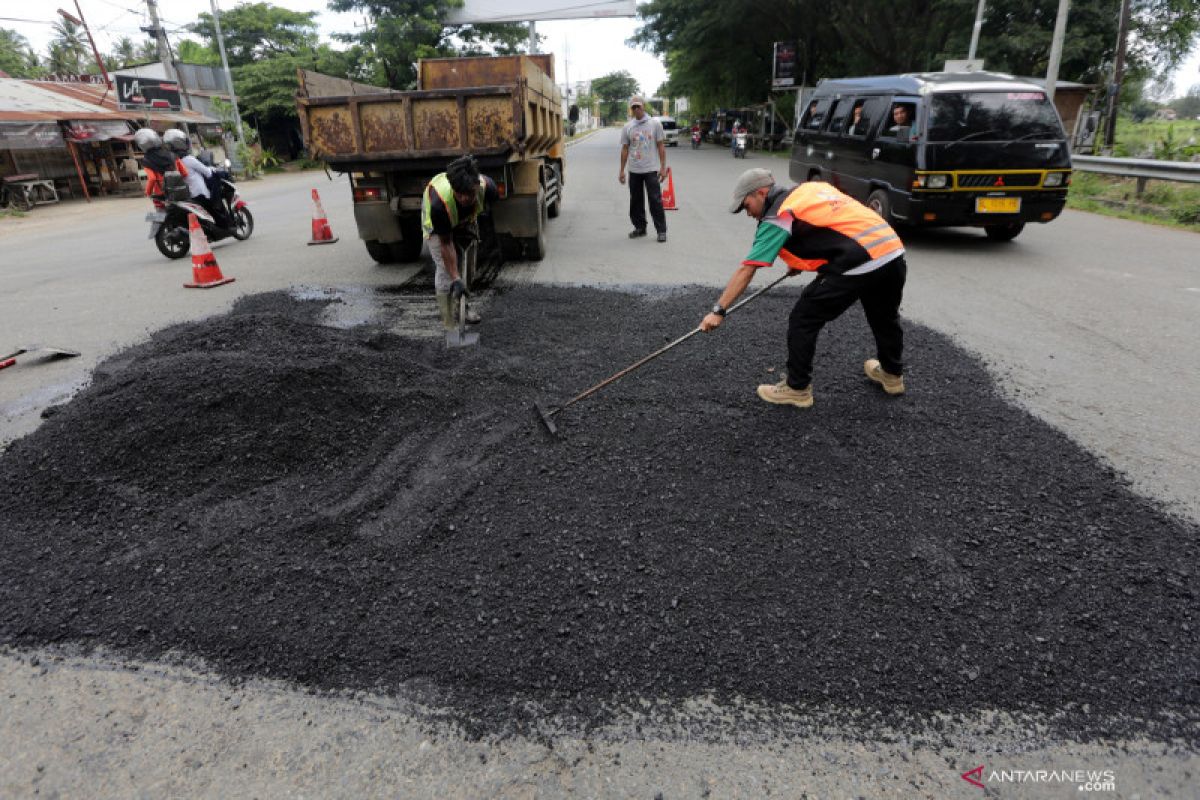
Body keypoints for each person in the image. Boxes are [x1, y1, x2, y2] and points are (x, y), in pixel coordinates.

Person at [700, 168, 908, 409]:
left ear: (760, 193)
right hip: (892, 251)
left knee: (803, 318)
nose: (748, 214)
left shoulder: (778, 215)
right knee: (884, 316)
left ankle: (797, 389)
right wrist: (800, 262)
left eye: (746, 206)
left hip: (860, 261)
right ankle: (892, 375)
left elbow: (748, 269)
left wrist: (718, 310)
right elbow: (832, 229)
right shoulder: (809, 189)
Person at [421, 155, 499, 331]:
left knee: (469, 268)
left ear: (477, 186)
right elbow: (446, 243)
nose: (464, 198)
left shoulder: (489, 187)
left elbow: (495, 212)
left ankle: (463, 305)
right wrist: (455, 278)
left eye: (470, 194)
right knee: (445, 271)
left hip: (465, 219)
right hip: (437, 226)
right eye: (459, 194)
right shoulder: (439, 204)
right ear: (453, 189)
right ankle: (448, 320)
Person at [618, 95, 668, 243]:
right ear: (631, 109)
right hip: (634, 170)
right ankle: (640, 227)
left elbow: (660, 145)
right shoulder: (628, 127)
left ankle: (661, 231)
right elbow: (625, 149)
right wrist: (621, 170)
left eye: (638, 106)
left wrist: (663, 167)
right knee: (636, 201)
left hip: (650, 169)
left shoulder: (654, 124)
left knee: (655, 200)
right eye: (633, 107)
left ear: (643, 106)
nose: (636, 109)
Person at [163, 128, 229, 229]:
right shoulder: (189, 160)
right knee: (216, 211)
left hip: (185, 195)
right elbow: (207, 172)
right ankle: (224, 227)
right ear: (182, 144)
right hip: (199, 194)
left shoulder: (173, 162)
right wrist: (218, 172)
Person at [134, 128, 188, 200]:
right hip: (179, 190)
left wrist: (148, 193)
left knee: (161, 210)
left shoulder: (147, 160)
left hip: (161, 193)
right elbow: (185, 173)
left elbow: (152, 179)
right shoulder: (172, 155)